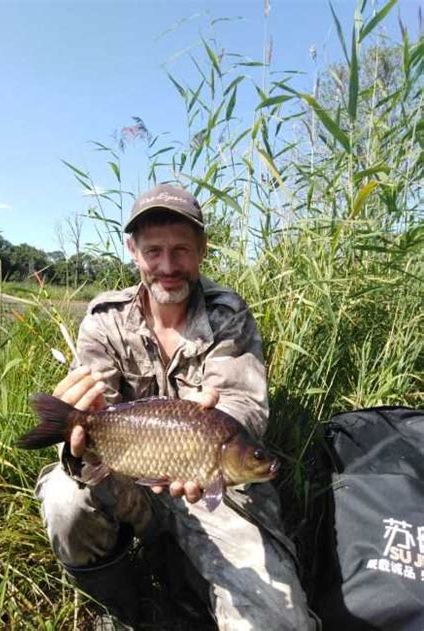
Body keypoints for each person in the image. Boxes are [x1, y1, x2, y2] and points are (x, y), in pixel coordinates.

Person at [35, 184, 318, 630]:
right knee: (64, 499)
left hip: (217, 487)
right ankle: (129, 612)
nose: (168, 266)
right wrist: (75, 436)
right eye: (154, 251)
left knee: (275, 620)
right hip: (128, 474)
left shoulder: (229, 315)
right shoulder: (104, 318)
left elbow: (244, 406)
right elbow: (93, 416)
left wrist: (219, 426)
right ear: (133, 251)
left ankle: (191, 574)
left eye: (182, 250)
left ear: (202, 249)